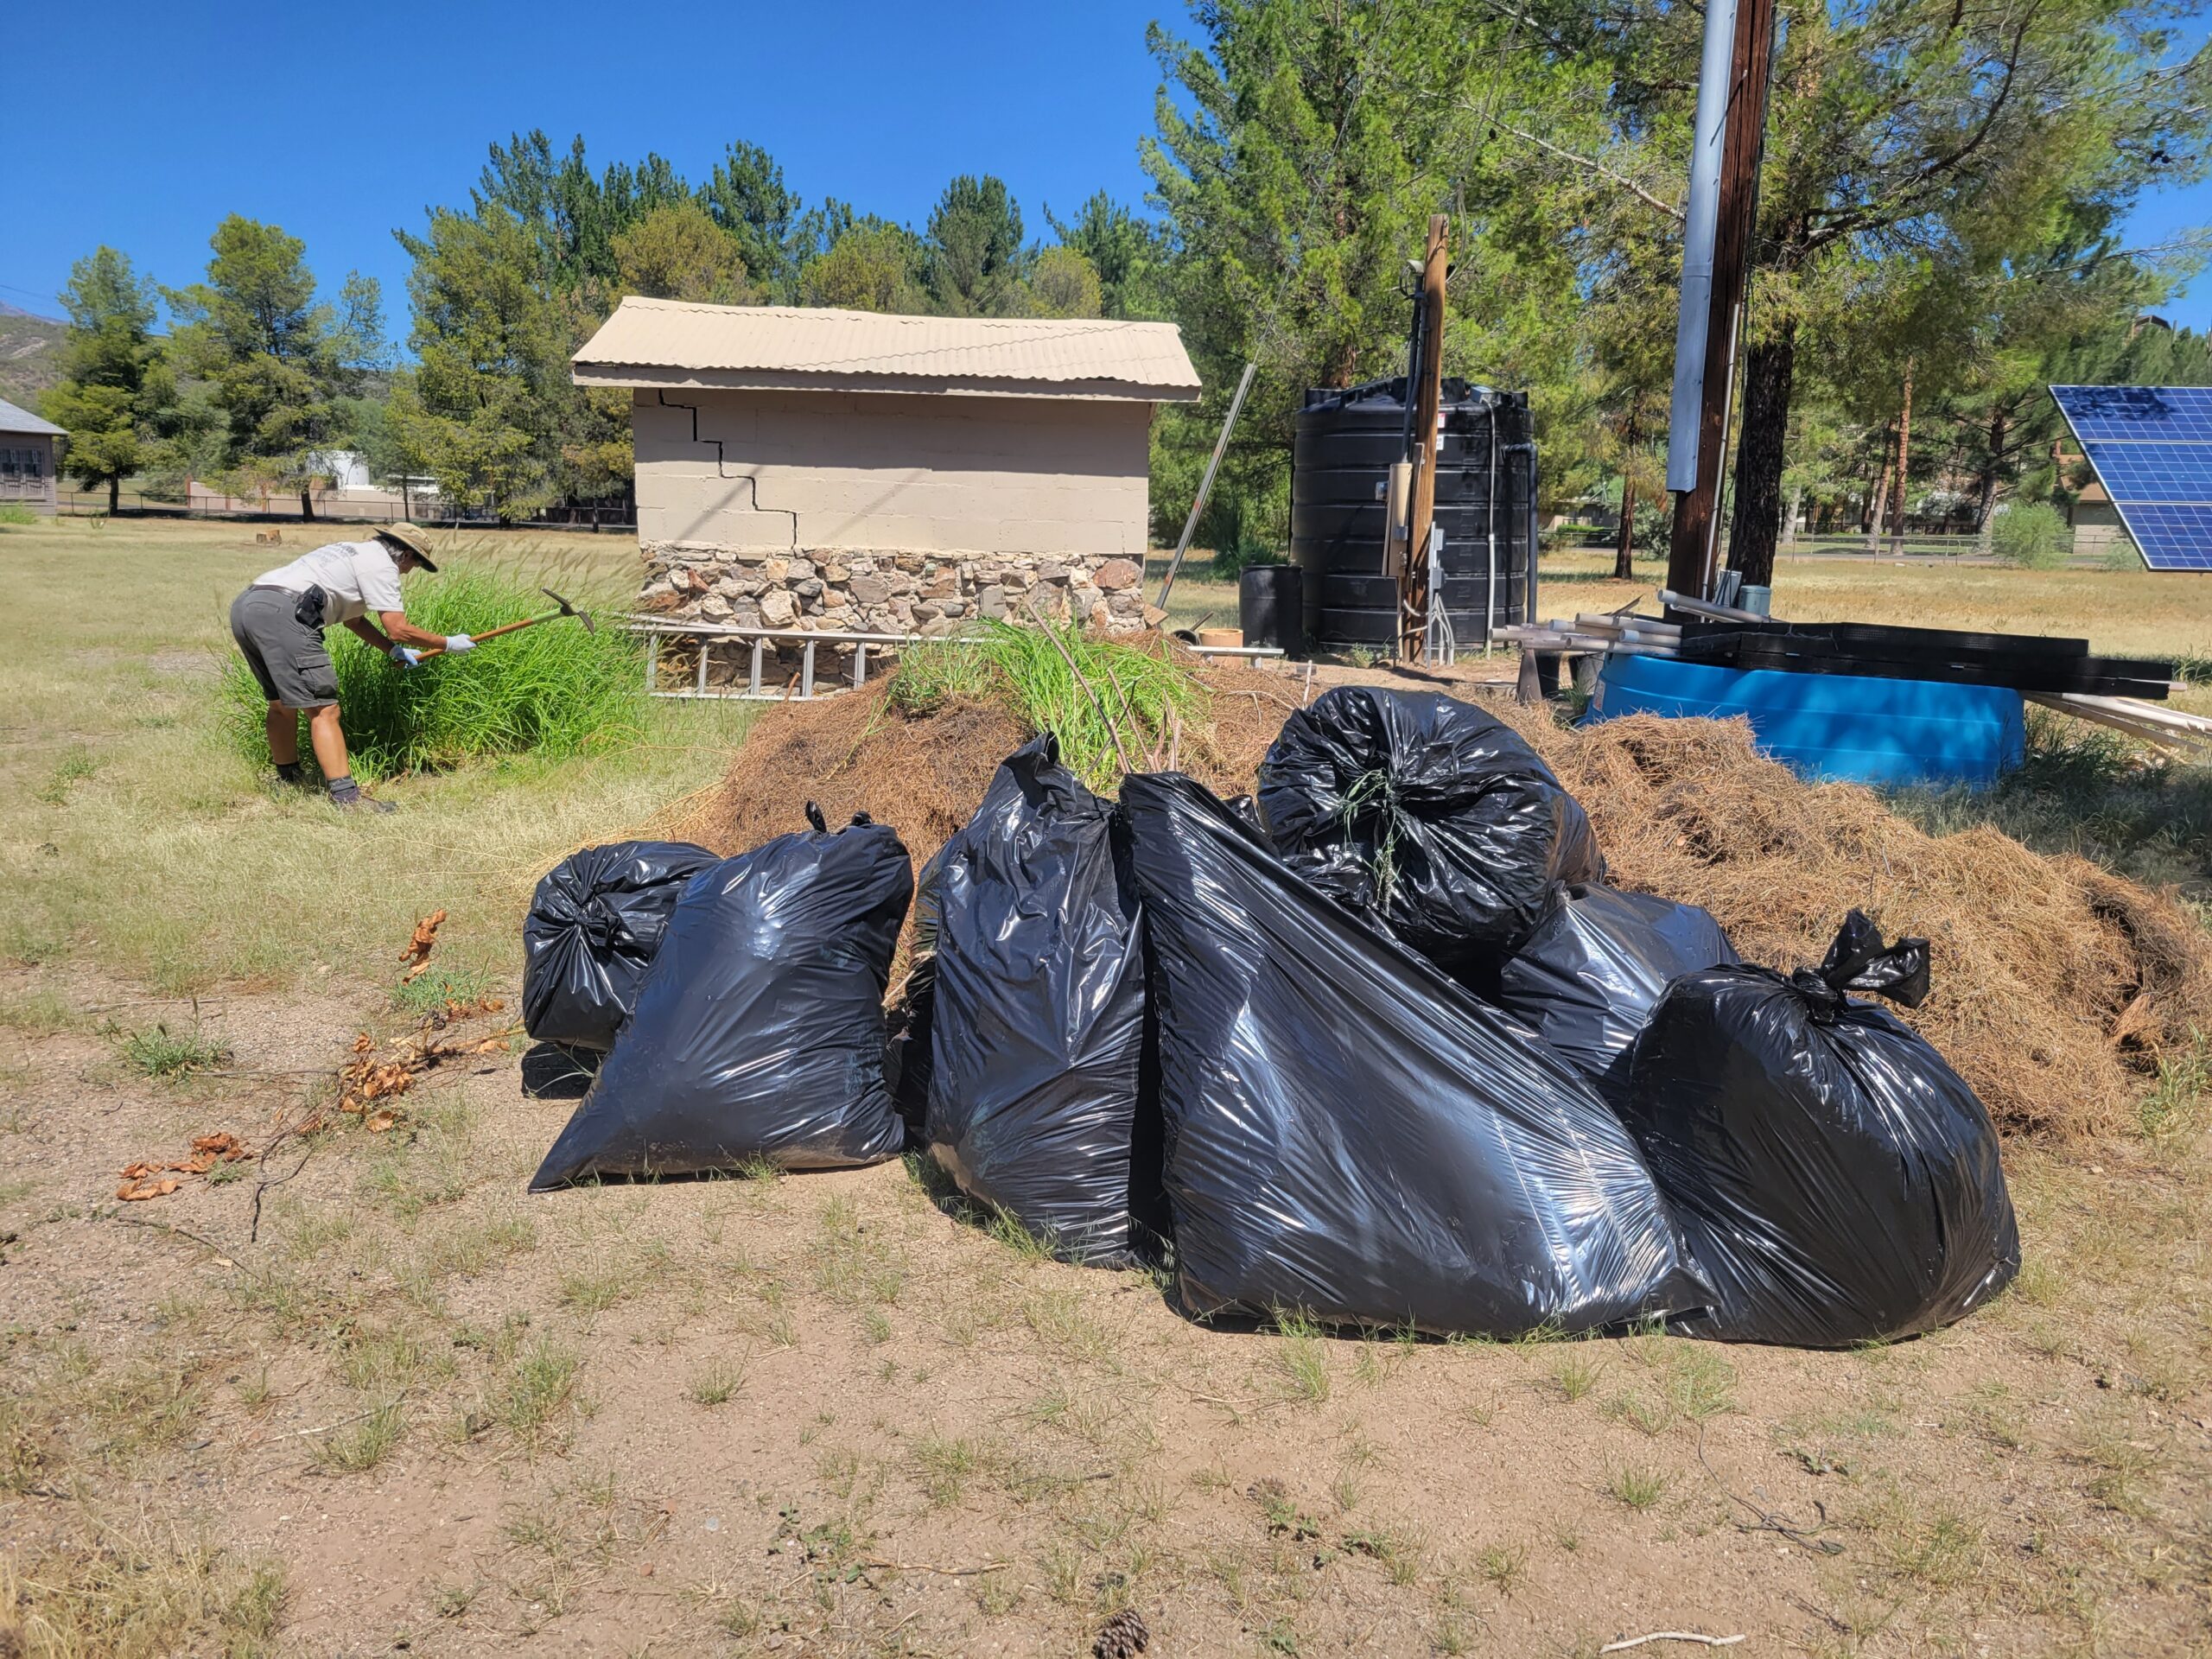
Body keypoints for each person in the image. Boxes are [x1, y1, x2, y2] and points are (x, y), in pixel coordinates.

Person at [227, 523, 474, 813]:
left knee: (281, 703)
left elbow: (353, 620)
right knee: (324, 709)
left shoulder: (353, 551)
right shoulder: (382, 566)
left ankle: (288, 779)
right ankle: (347, 799)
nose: (410, 571)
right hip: (285, 614)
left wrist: (391, 651)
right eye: (416, 564)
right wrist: (446, 643)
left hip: (249, 606)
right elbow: (398, 628)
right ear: (406, 555)